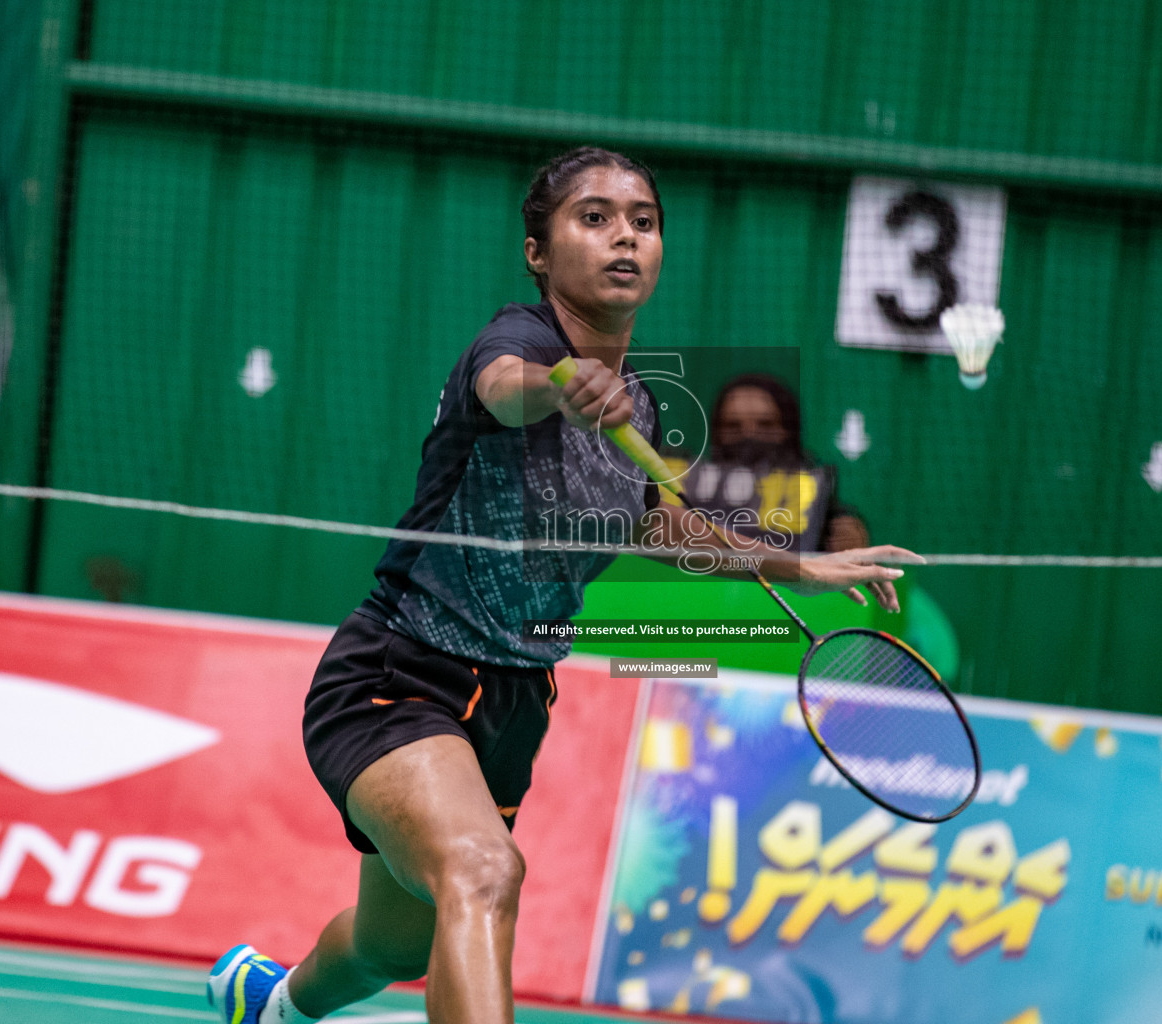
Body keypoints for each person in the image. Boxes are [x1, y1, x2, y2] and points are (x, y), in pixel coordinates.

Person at [206, 147, 917, 1024]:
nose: (625, 236)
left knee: (395, 944)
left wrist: (796, 564)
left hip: (511, 704)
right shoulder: (519, 344)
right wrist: (561, 385)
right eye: (595, 217)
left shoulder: (642, 409)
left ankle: (267, 1003)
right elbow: (506, 391)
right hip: (401, 673)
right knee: (484, 871)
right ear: (539, 252)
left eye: (643, 222)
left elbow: (654, 522)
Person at [688, 373, 871, 552]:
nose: (749, 436)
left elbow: (837, 526)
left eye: (765, 425)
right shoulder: (687, 489)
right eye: (733, 426)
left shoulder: (815, 499)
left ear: (786, 430)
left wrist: (846, 531)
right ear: (717, 432)